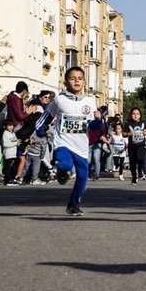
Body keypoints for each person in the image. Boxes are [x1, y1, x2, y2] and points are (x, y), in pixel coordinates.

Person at [40, 67, 97, 215]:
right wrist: (40, 128)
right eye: (72, 78)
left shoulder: (90, 102)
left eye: (80, 78)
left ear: (84, 81)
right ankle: (61, 170)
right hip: (63, 142)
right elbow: (46, 116)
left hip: (81, 146)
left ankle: (73, 204)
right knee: (65, 163)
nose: (76, 81)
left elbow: (94, 126)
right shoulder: (59, 100)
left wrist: (99, 120)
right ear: (66, 81)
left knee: (83, 179)